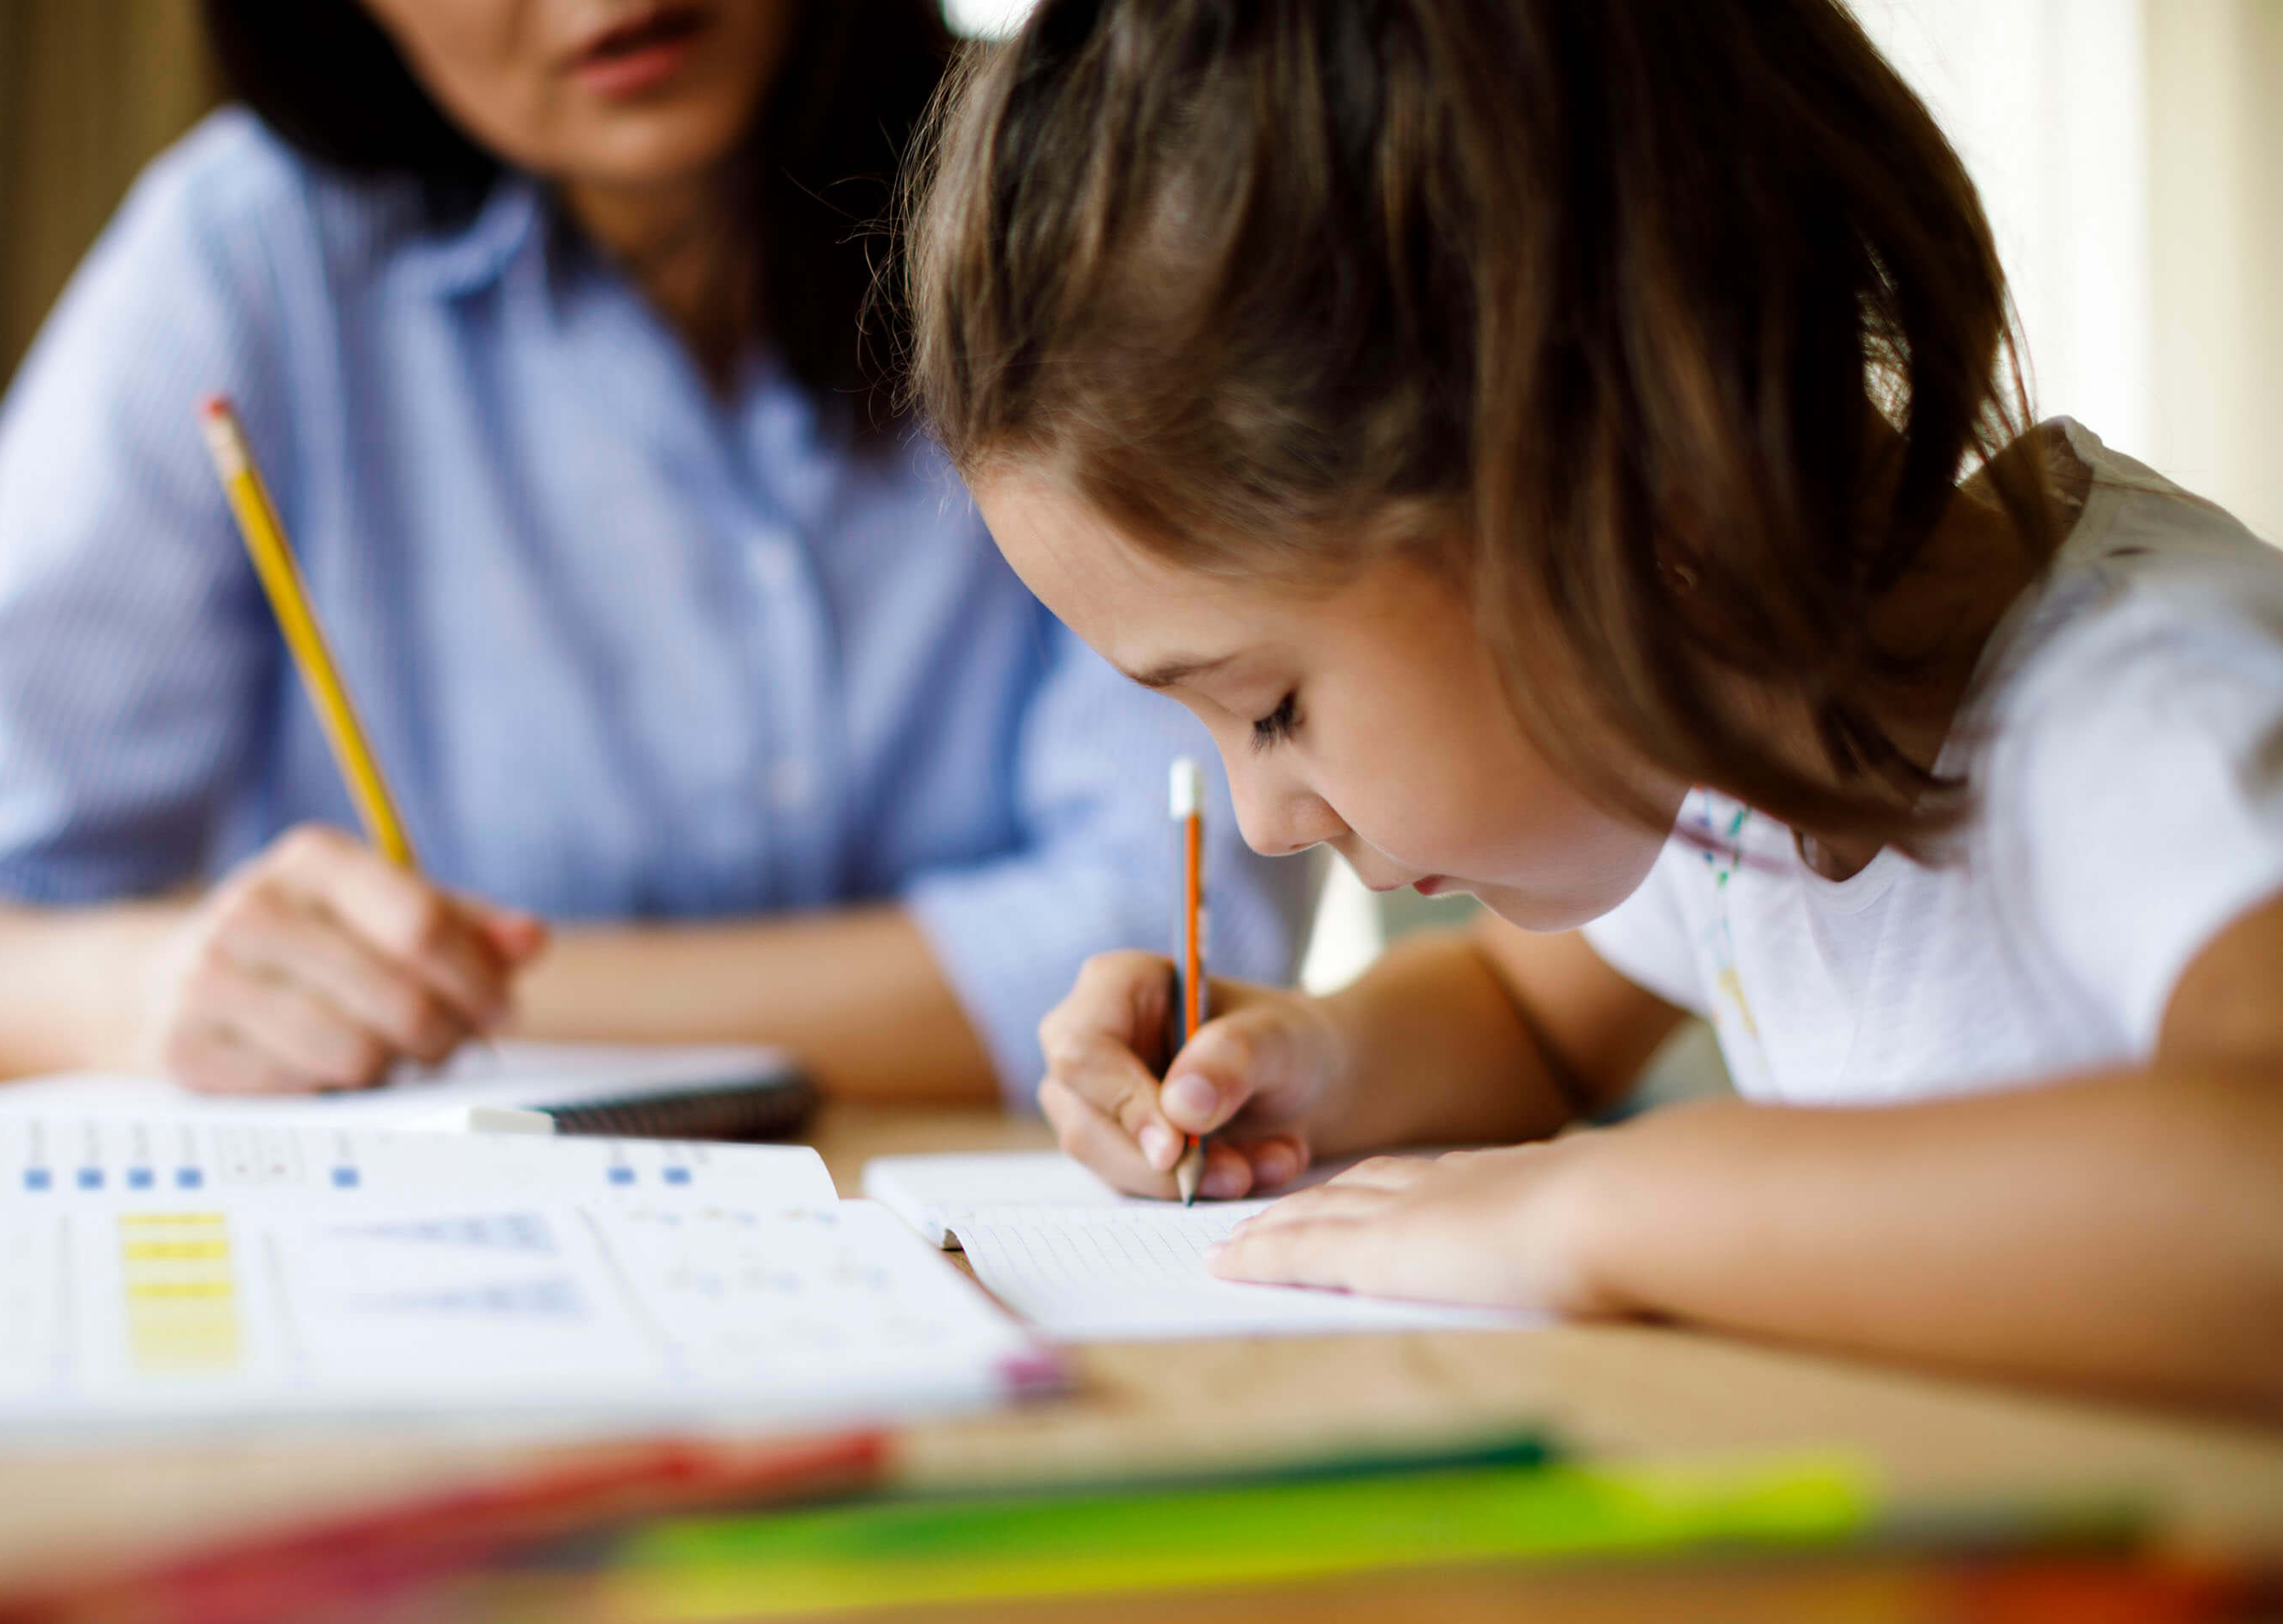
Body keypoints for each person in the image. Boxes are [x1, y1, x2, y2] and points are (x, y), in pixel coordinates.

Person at [909, 0, 2283, 1413]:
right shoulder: (1724, 731)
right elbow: (1528, 1017)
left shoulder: (2151, 713)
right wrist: (1302, 1066)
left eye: (1268, 707)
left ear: (1602, 460)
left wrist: (1611, 1207)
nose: (1262, 823)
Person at [0, 0, 1304, 1106]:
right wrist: (159, 991)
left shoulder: (1081, 195)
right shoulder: (250, 267)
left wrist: (461, 1009)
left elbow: (1180, 945)